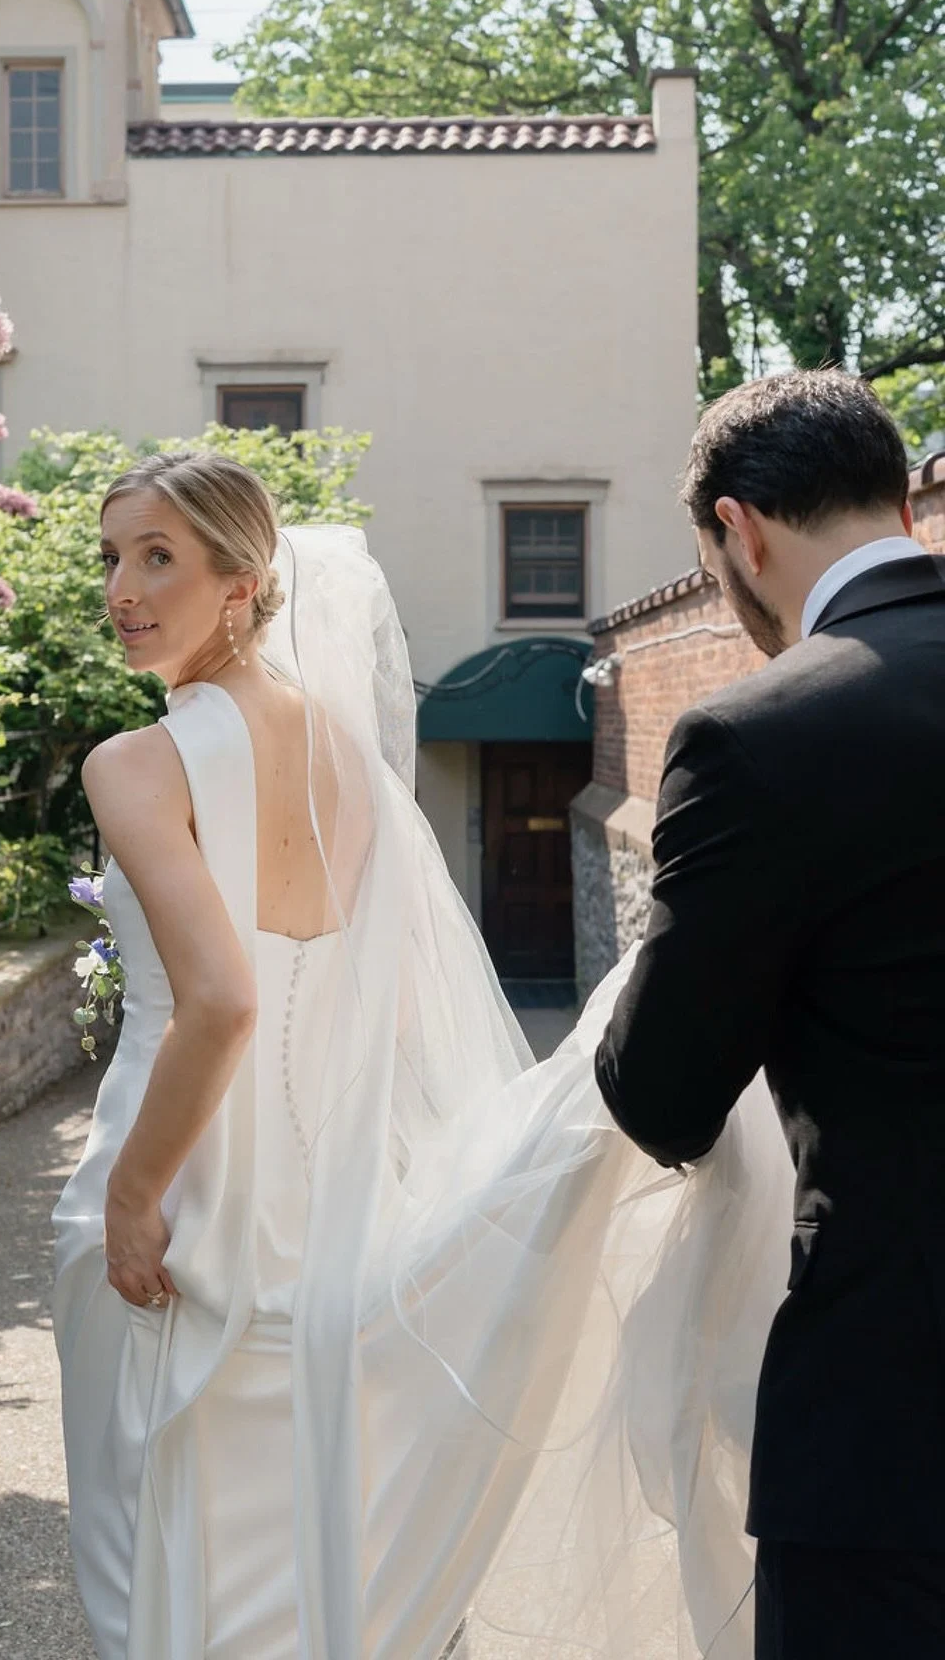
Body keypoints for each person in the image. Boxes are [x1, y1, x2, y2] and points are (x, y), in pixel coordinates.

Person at [54, 448, 790, 1660]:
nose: (122, 590)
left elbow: (223, 1001)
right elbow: (383, 1006)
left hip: (178, 1182)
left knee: (158, 1546)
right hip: (320, 1198)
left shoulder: (134, 764)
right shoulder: (345, 755)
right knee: (302, 1528)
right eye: (112, 558)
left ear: (243, 582)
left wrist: (136, 1194)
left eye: (158, 557)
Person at [595, 368, 945, 1660]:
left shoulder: (759, 736)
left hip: (895, 1423)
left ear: (739, 533)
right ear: (903, 496)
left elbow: (665, 1095)